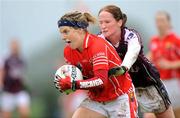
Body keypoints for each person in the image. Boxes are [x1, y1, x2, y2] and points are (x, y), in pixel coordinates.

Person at [54, 11, 138, 118]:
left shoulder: (97, 45)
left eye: (66, 31)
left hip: (120, 96)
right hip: (96, 99)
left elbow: (101, 80)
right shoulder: (68, 52)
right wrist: (67, 84)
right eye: (61, 32)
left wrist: (75, 84)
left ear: (80, 30)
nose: (63, 37)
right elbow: (82, 77)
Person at [97, 5, 175, 118]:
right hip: (124, 89)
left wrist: (124, 67)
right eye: (101, 22)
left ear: (119, 22)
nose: (103, 26)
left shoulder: (130, 35)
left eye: (107, 22)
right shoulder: (100, 39)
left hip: (147, 84)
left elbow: (133, 52)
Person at [147, 11, 180, 118]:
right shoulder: (154, 40)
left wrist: (170, 65)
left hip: (174, 83)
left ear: (169, 23)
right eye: (157, 21)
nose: (159, 23)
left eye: (162, 20)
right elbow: (150, 55)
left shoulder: (176, 40)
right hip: (158, 83)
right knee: (149, 115)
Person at [0, 39, 30, 118]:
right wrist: (1, 83)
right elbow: (2, 71)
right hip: (8, 90)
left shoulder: (21, 58)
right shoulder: (6, 58)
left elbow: (22, 74)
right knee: (6, 115)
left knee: (24, 113)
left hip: (19, 90)